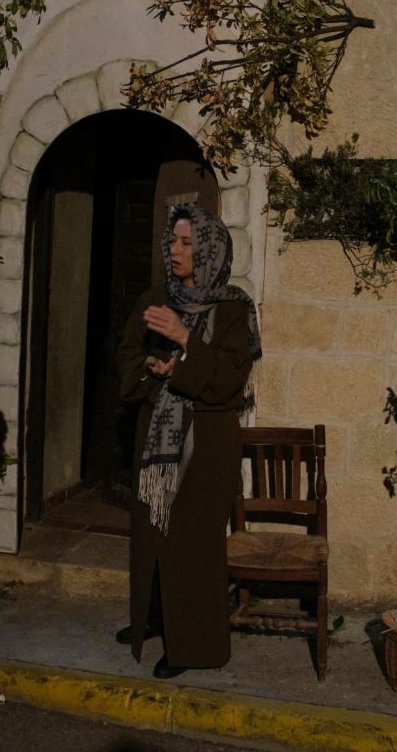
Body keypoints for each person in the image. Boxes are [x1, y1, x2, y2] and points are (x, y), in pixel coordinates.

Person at [115, 205, 261, 679]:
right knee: (152, 533)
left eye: (185, 242)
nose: (174, 250)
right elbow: (127, 354)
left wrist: (183, 341)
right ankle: (154, 619)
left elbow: (227, 382)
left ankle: (191, 645)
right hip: (156, 440)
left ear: (209, 249)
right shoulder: (156, 298)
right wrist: (152, 367)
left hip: (207, 446)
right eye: (172, 241)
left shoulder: (234, 308)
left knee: (192, 544)